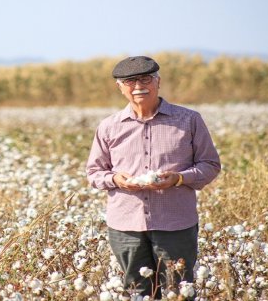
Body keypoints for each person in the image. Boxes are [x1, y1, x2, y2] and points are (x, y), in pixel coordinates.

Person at [86, 56, 221, 298]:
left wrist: (179, 178)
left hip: (175, 223)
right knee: (137, 291)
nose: (138, 86)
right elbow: (94, 172)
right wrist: (117, 180)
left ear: (158, 82)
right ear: (120, 87)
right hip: (126, 226)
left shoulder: (189, 120)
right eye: (129, 81)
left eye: (145, 78)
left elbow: (210, 164)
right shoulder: (109, 126)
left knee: (178, 289)